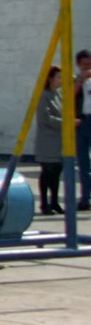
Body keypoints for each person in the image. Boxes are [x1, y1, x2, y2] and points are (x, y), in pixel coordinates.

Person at [36, 66, 65, 214]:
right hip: (47, 141)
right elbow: (45, 118)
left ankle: (54, 202)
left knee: (56, 173)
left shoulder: (57, 95)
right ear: (50, 79)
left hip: (58, 142)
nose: (61, 80)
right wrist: (65, 122)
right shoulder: (44, 95)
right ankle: (44, 203)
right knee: (47, 172)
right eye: (58, 77)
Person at [74, 50, 91, 210]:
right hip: (82, 121)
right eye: (84, 65)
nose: (88, 68)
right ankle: (86, 197)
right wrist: (80, 81)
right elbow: (69, 96)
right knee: (83, 162)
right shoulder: (75, 80)